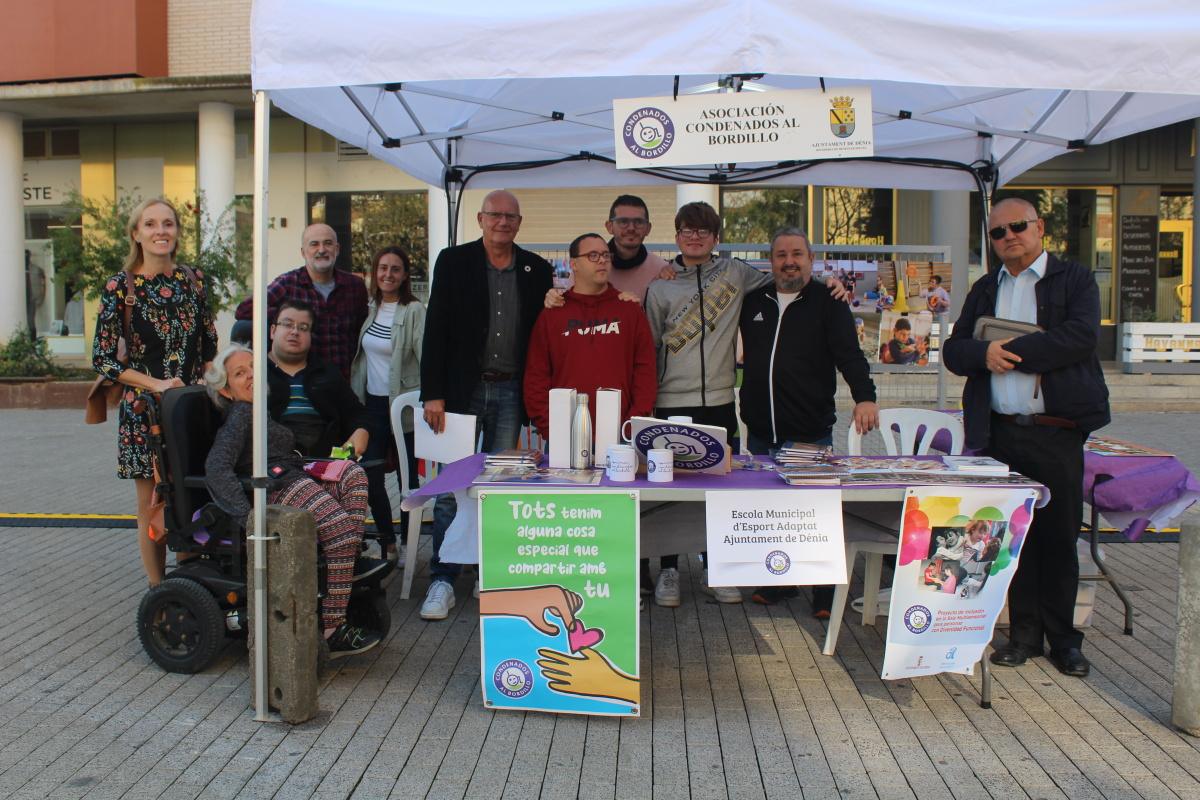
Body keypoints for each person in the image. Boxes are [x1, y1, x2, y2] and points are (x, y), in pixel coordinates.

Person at [943, 197, 1110, 678]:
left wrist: (1008, 351)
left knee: (1058, 537)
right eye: (998, 232)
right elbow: (956, 351)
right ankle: (1022, 636)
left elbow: (1080, 337)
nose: (1008, 237)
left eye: (1017, 227)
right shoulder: (984, 287)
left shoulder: (1074, 279)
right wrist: (983, 354)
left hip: (1055, 432)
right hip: (1000, 433)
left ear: (1039, 228)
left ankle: (1064, 641)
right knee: (1010, 537)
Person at [419, 190, 553, 620]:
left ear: (520, 222)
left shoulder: (537, 269)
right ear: (480, 218)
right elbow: (435, 327)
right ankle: (442, 577)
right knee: (450, 487)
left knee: (499, 487)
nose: (502, 222)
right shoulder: (453, 261)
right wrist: (432, 392)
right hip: (460, 392)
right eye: (495, 215)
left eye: (510, 216)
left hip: (511, 389)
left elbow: (545, 332)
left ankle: (488, 572)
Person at [203, 344, 381, 657]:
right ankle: (332, 626)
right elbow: (216, 468)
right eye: (239, 373)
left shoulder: (259, 410)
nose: (250, 377)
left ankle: (346, 561)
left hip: (292, 473)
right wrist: (249, 519)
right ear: (226, 390)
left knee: (353, 474)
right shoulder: (241, 415)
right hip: (274, 486)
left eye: (252, 369)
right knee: (339, 529)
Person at [738, 226, 879, 613]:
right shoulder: (754, 301)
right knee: (769, 511)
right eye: (781, 254)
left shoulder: (827, 301)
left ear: (811, 259)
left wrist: (865, 397)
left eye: (797, 254)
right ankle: (779, 582)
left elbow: (849, 354)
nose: (789, 262)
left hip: (809, 431)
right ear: (771, 261)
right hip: (762, 432)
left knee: (816, 515)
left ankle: (824, 591)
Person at [92, 197, 218, 587]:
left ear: (177, 232)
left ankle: (190, 584)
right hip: (144, 412)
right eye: (150, 225)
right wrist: (157, 384)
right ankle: (158, 592)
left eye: (168, 224)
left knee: (193, 497)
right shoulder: (120, 286)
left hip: (192, 409)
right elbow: (103, 359)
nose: (160, 231)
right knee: (151, 505)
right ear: (136, 234)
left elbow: (209, 346)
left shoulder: (193, 281)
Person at [524, 233, 657, 440]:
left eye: (605, 254)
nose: (602, 260)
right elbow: (536, 376)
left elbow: (645, 372)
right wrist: (551, 428)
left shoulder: (629, 311)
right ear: (574, 264)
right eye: (593, 255)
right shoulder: (553, 313)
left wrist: (632, 425)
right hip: (564, 437)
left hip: (620, 436)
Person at [350, 246, 426, 563]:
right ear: (374, 272)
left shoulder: (414, 311)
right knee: (371, 474)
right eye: (383, 268)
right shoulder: (369, 308)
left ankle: (409, 544)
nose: (388, 274)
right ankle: (386, 540)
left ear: (405, 275)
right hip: (372, 405)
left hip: (404, 406)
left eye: (395, 269)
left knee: (408, 478)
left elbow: (426, 359)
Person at [235, 223, 368, 378]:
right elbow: (243, 310)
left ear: (337, 249)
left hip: (346, 380)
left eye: (328, 243)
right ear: (303, 252)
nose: (322, 249)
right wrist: (286, 318)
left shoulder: (354, 286)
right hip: (303, 383)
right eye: (314, 244)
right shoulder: (288, 283)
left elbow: (363, 331)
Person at [266, 299, 371, 462]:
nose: (295, 332)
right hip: (273, 464)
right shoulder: (254, 373)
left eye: (303, 328)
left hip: (325, 462)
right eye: (287, 324)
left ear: (311, 336)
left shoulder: (327, 373)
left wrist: (360, 431)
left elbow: (357, 414)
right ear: (273, 331)